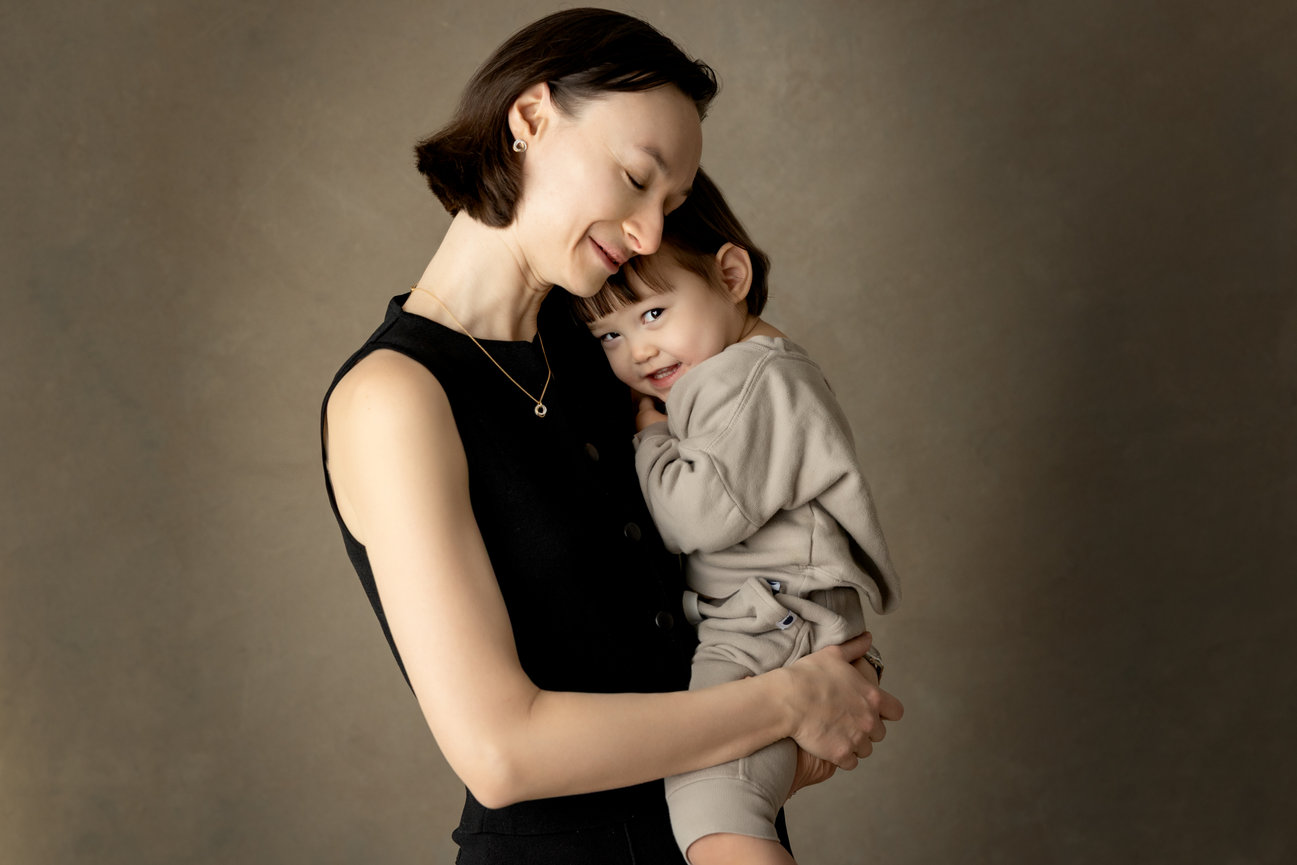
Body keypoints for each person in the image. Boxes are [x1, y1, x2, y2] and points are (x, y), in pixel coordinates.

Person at [320, 9, 903, 864]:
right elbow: (501, 753)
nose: (649, 233)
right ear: (529, 117)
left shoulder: (620, 349)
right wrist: (788, 701)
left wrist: (823, 680)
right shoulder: (395, 397)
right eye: (634, 178)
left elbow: (775, 483)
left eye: (669, 206)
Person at [571, 170, 901, 864]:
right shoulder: (732, 372)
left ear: (730, 276)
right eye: (608, 336)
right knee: (721, 801)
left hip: (775, 620)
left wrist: (650, 439)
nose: (637, 351)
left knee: (715, 807)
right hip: (764, 615)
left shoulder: (749, 379)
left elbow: (693, 517)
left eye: (653, 314)